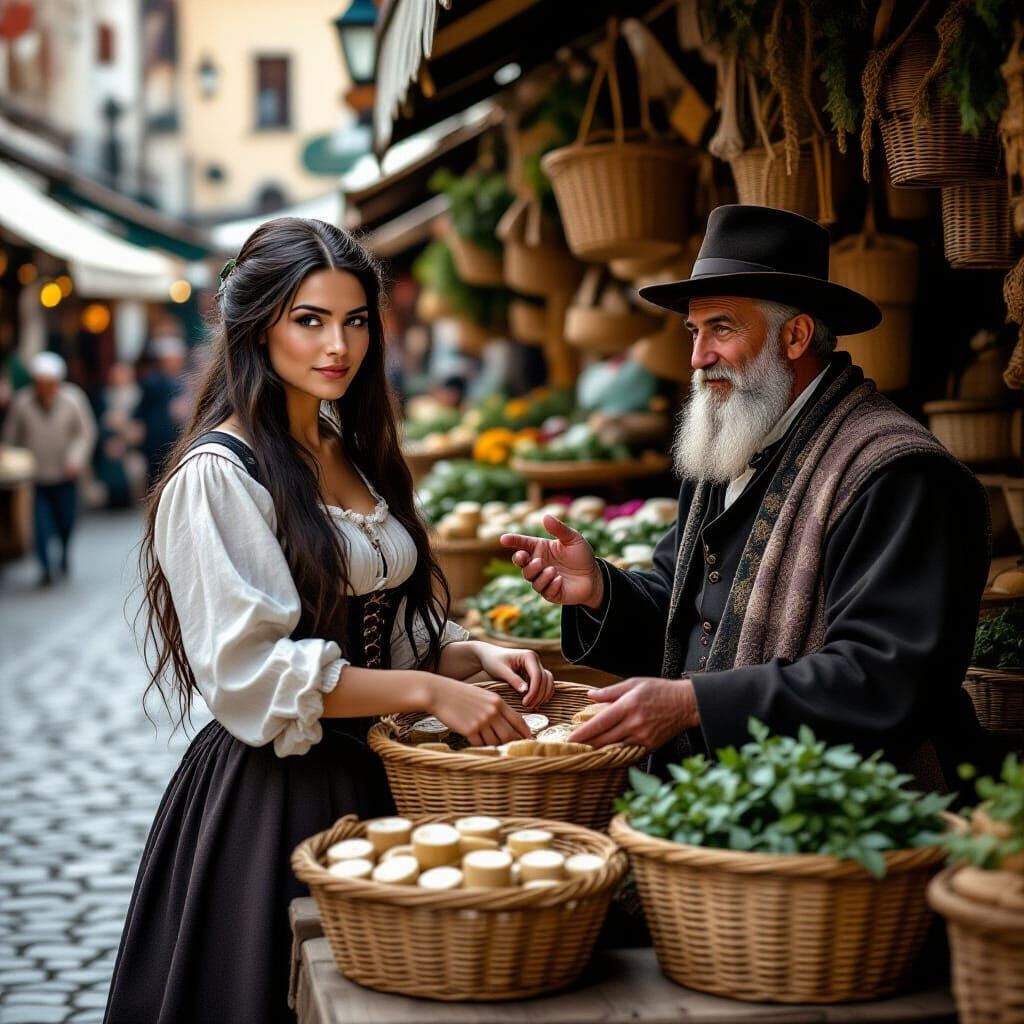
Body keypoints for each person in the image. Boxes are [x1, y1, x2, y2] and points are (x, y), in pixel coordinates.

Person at [104, 218, 554, 1024]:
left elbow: (387, 629)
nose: (337, 344)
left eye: (354, 320)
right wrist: (427, 692)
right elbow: (256, 676)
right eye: (308, 319)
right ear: (258, 325)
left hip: (385, 780)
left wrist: (470, 658)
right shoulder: (219, 475)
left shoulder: (348, 444)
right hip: (278, 795)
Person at [501, 204, 991, 792]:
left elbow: (883, 678)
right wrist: (601, 590)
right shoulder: (733, 439)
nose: (697, 356)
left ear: (796, 335)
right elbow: (694, 618)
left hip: (860, 821)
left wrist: (694, 704)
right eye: (694, 330)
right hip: (732, 797)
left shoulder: (896, 473)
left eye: (722, 328)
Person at [2, 351, 97, 584]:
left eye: (49, 383)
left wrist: (76, 459)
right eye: (40, 383)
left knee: (66, 520)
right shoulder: (23, 402)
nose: (45, 388)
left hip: (65, 472)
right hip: (35, 476)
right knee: (40, 524)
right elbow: (11, 436)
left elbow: (85, 432)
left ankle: (64, 553)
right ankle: (45, 568)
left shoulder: (73, 399)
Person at [133, 333, 190, 487]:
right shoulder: (153, 382)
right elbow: (141, 410)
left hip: (177, 438)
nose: (176, 362)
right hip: (157, 439)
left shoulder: (182, 379)